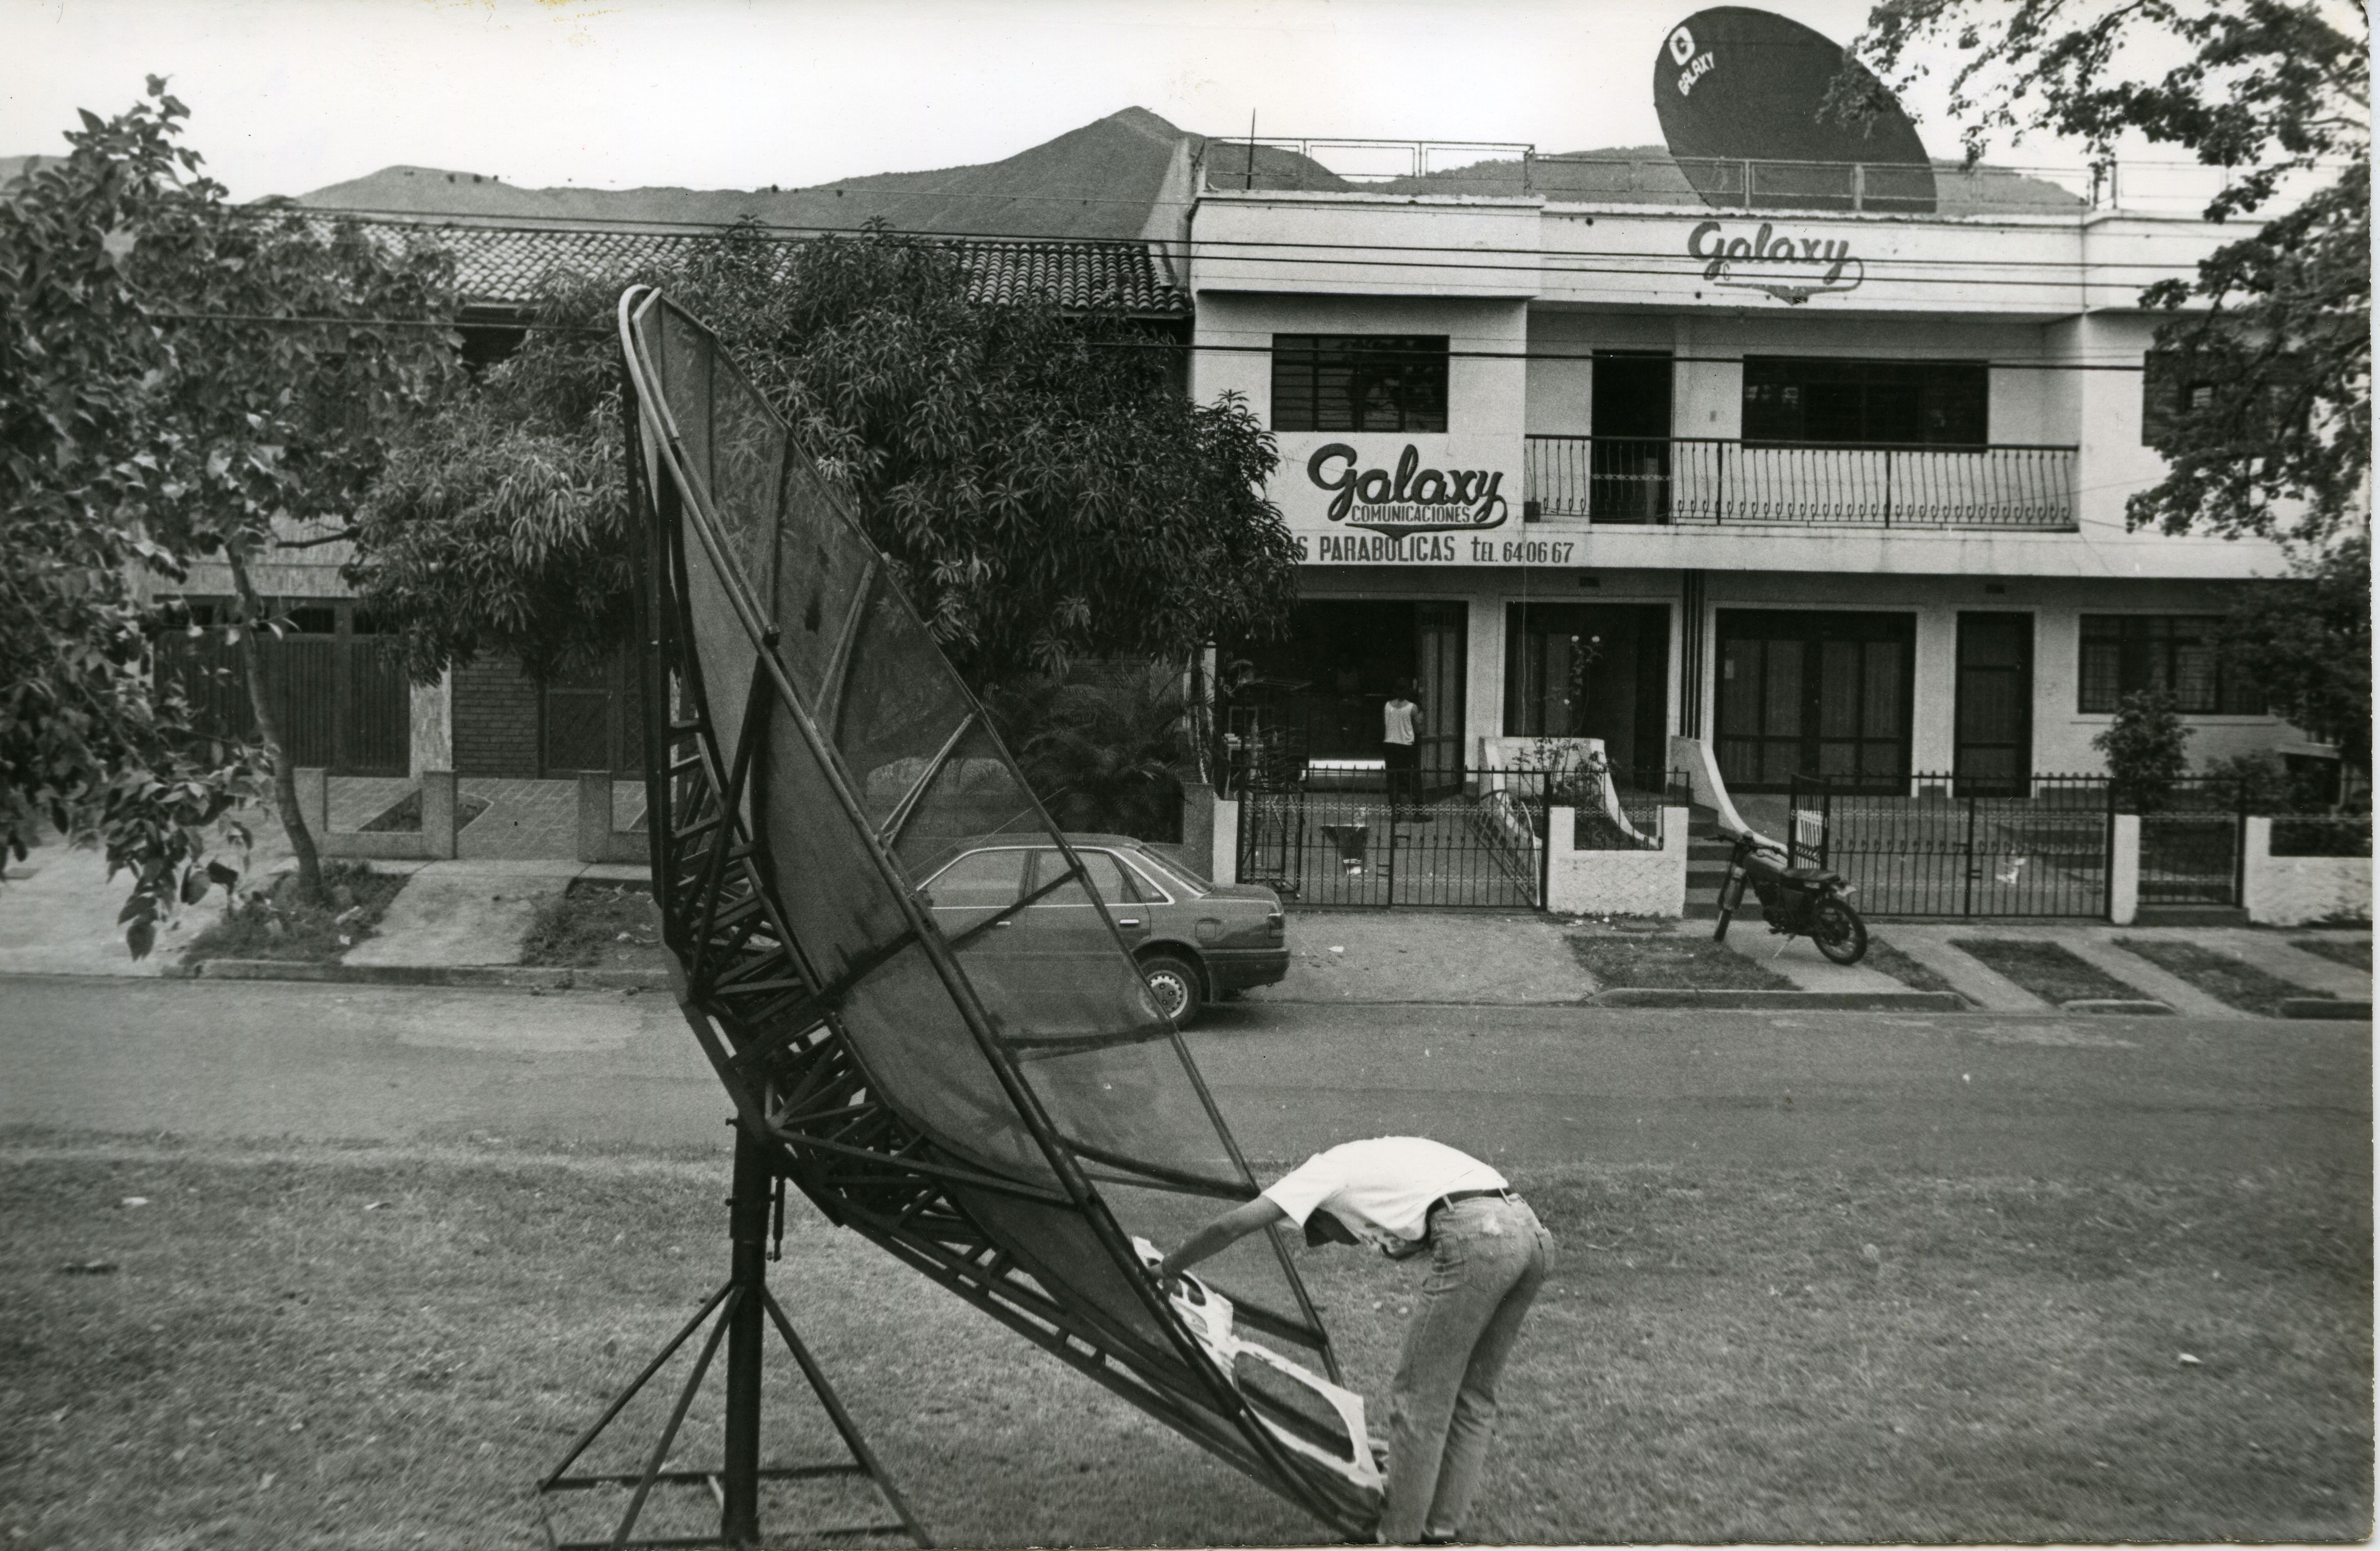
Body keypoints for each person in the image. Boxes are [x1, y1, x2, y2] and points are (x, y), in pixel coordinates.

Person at [1155, 1136, 1555, 1545]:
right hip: (1529, 1231)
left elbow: (1229, 1226)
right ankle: (1440, 1529)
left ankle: (1397, 1537)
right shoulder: (1372, 1164)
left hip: (1482, 1234)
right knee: (1473, 1396)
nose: (1332, 1241)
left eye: (1319, 1231)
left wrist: (1170, 1267)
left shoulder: (1321, 1172)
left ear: (1318, 1209)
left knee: (1420, 1398)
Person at [1381, 686, 1420, 806]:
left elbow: (1386, 724)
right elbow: (1418, 728)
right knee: (1409, 778)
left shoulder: (1388, 706)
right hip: (1405, 746)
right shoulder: (1413, 708)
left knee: (1392, 778)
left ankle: (1395, 809)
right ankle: (1417, 808)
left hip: (1389, 744)